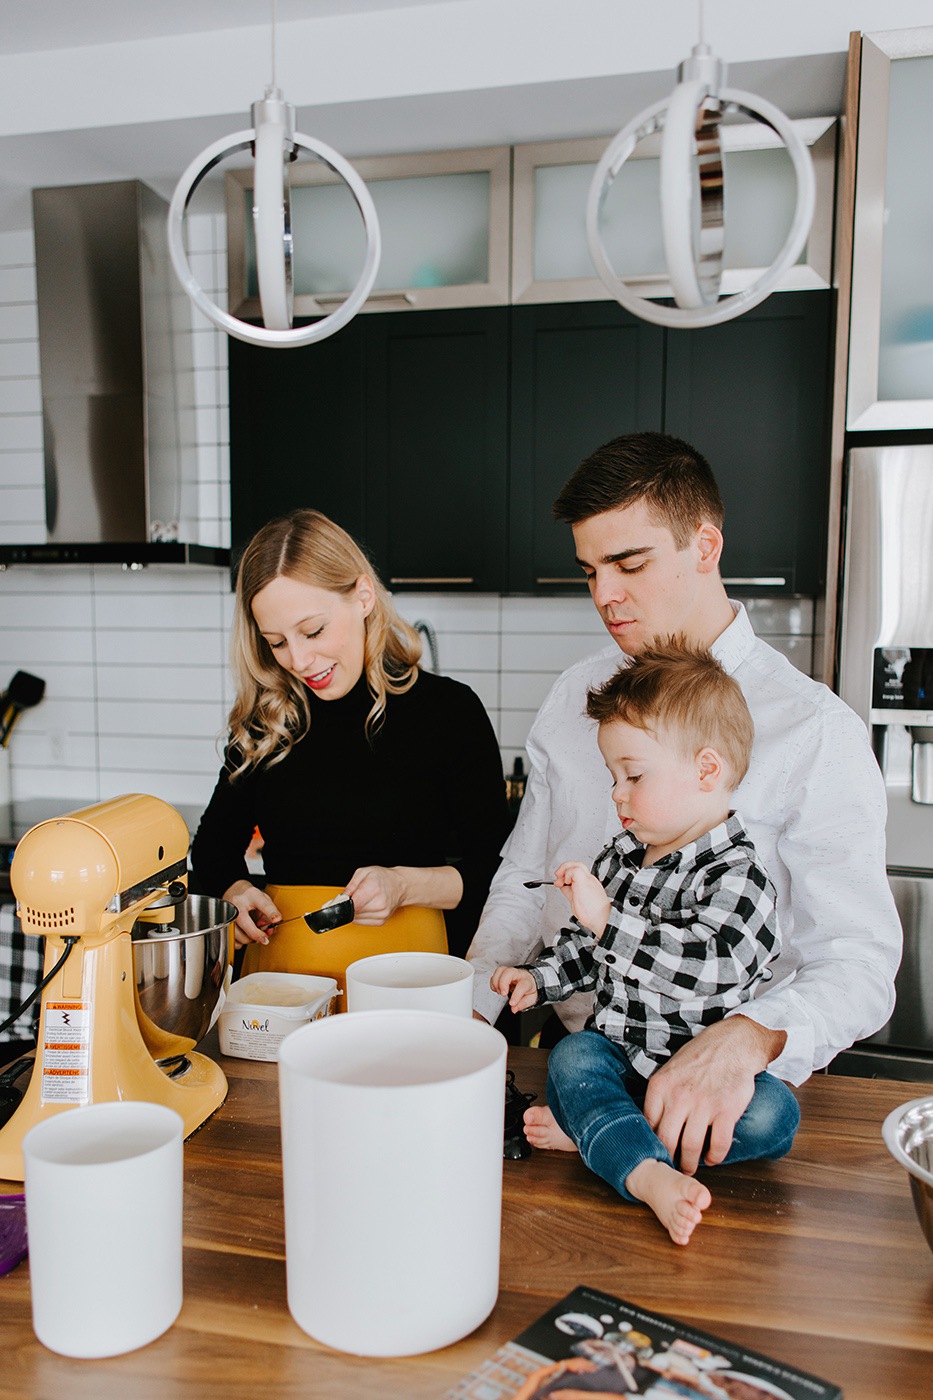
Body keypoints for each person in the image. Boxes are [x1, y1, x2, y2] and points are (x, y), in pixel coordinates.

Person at [468, 431, 901, 1178]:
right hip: (576, 1076)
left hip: (715, 1105)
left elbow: (857, 961)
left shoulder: (813, 730)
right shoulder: (570, 699)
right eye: (590, 570)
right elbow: (523, 882)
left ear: (704, 545)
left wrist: (746, 1036)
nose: (604, 595)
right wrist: (469, 1015)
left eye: (629, 564)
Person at [491, 642, 799, 1245]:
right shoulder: (621, 858)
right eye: (613, 777)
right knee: (571, 1060)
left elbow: (710, 967)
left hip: (697, 1078)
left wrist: (612, 925)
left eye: (634, 775)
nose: (616, 794)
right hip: (619, 1057)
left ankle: (598, 1136)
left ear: (707, 770)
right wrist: (539, 978)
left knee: (775, 1117)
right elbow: (586, 950)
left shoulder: (739, 876)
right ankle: (644, 1169)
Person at [190, 509, 511, 993]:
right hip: (282, 988)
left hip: (409, 985)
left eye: (313, 631)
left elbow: (495, 871)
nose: (299, 660)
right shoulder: (268, 722)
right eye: (276, 642)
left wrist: (403, 885)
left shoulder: (449, 712)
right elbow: (212, 854)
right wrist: (234, 891)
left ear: (363, 596)